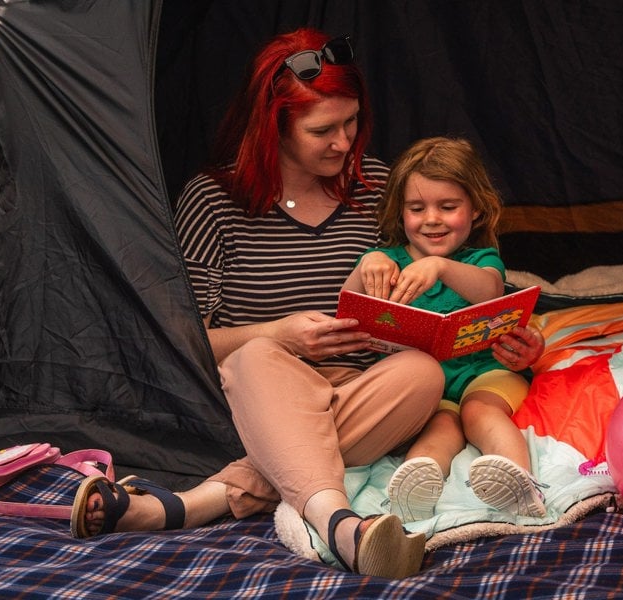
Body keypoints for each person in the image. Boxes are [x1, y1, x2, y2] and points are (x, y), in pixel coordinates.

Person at [69, 30, 542, 579]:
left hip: (366, 389)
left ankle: (197, 504)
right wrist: (279, 333)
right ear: (274, 127)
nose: (344, 143)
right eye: (323, 130)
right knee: (256, 356)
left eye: (352, 122)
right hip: (263, 389)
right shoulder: (212, 201)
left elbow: (440, 286)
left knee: (420, 374)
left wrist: (498, 338)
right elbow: (181, 343)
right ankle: (337, 522)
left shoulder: (377, 189)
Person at [342, 137, 547, 523]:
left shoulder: (480, 260)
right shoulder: (386, 261)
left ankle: (521, 484)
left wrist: (440, 267)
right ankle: (412, 494)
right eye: (417, 208)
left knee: (478, 412)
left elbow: (490, 289)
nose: (432, 219)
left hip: (487, 373)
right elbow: (350, 309)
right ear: (399, 213)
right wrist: (366, 263)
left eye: (448, 207)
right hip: (430, 389)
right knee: (439, 429)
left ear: (475, 210)